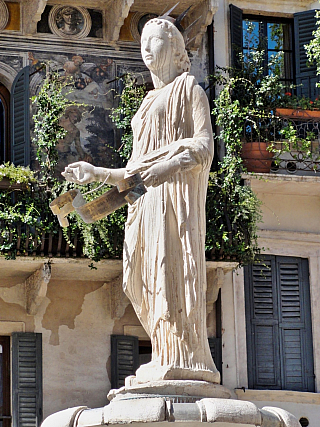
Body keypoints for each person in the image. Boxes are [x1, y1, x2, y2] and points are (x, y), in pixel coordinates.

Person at [62, 16, 219, 384]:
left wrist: (166, 168)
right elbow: (132, 171)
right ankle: (163, 350)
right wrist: (95, 172)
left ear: (177, 48)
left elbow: (203, 146)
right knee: (140, 278)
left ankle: (181, 355)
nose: (146, 50)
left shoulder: (189, 90)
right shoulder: (147, 103)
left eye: (155, 41)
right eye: (142, 43)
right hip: (144, 200)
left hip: (174, 199)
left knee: (170, 271)